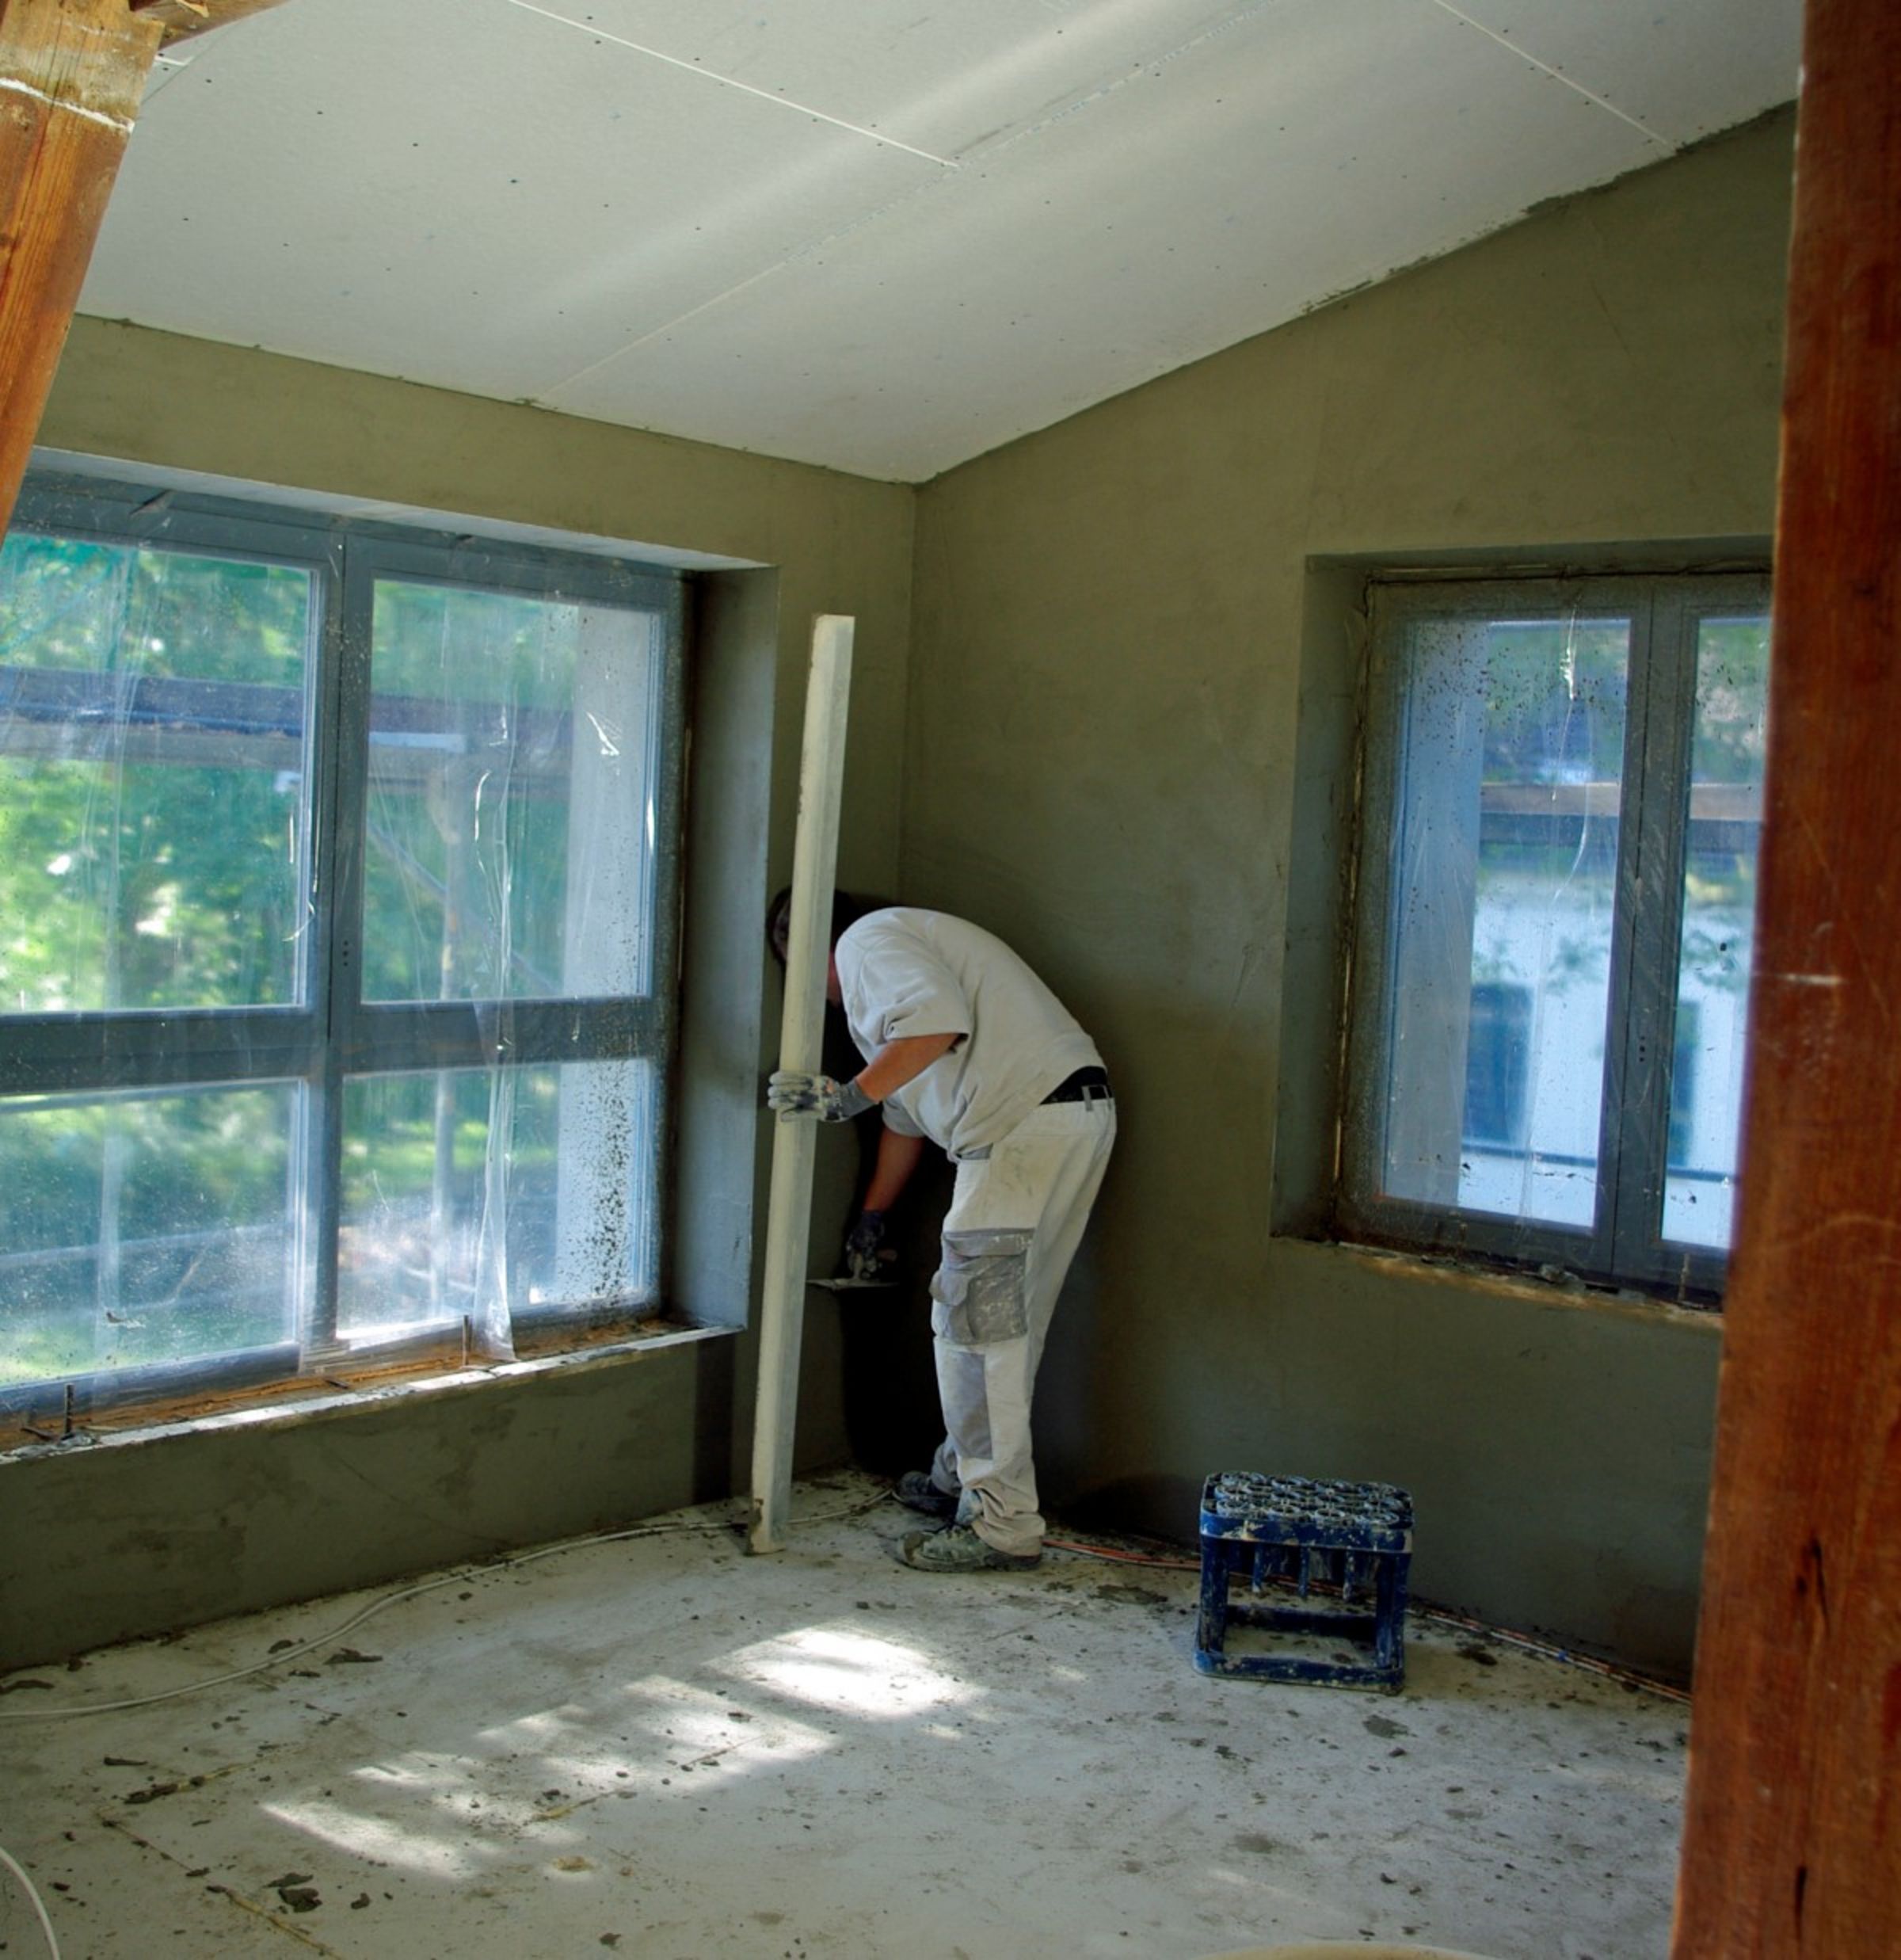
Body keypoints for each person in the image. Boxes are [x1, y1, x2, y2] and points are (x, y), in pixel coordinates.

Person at [766, 890, 1116, 1573]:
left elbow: (937, 1025)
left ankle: (1000, 1525)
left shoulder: (867, 941)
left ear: (808, 948)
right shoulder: (894, 979)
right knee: (1004, 1326)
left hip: (1020, 1127)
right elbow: (904, 1120)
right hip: (1059, 1116)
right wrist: (872, 1217)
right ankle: (960, 1476)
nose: (816, 998)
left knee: (974, 1329)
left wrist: (843, 1098)